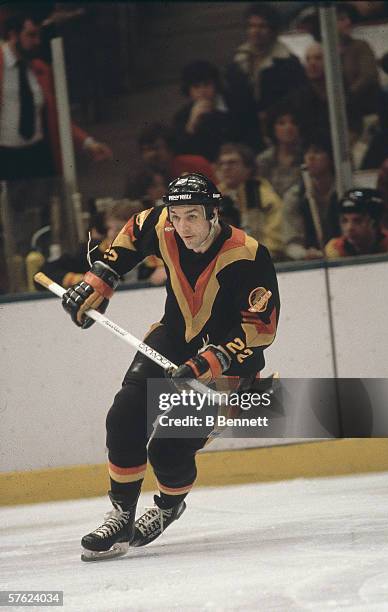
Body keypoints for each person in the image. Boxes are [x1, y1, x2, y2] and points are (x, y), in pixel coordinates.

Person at [61, 172, 280, 561]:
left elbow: (261, 328)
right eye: (176, 216)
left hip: (229, 361)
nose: (183, 227)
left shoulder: (248, 254)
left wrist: (211, 361)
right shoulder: (160, 224)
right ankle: (122, 515)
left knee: (168, 451)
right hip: (173, 338)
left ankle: (167, 507)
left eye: (193, 216)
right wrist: (99, 283)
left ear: (214, 214)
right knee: (125, 414)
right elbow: (131, 235)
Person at [0, 11, 112, 278]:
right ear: (13, 34)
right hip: (5, 153)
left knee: (45, 216)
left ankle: (41, 269)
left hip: (36, 152)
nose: (35, 41)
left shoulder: (39, 68)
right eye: (30, 35)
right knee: (10, 218)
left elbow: (57, 113)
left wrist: (87, 142)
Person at [225, 3, 306, 150]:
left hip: (279, 134)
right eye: (252, 26)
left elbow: (296, 97)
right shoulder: (237, 63)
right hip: (245, 134)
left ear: (272, 30)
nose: (256, 31)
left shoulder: (289, 62)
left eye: (262, 26)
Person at [216, 142, 283, 259]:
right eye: (222, 164)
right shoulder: (212, 197)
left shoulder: (265, 197)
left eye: (232, 163)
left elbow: (276, 239)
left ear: (248, 168)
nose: (225, 168)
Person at [171, 60, 236, 162]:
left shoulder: (234, 104)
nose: (202, 91)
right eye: (196, 87)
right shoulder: (182, 116)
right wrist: (191, 125)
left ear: (215, 85)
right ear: (189, 90)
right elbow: (181, 152)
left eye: (207, 84)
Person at [325, 188, 388, 257]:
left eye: (357, 221)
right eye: (344, 221)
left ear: (374, 223)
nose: (349, 228)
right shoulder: (335, 249)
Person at [136, 122, 216, 183]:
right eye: (145, 150)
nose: (150, 155)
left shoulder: (195, 164)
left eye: (155, 148)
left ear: (170, 149)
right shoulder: (142, 179)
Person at [256, 104, 302, 200]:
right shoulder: (263, 160)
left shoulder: (307, 157)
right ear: (273, 129)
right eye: (281, 123)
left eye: (294, 123)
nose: (289, 127)